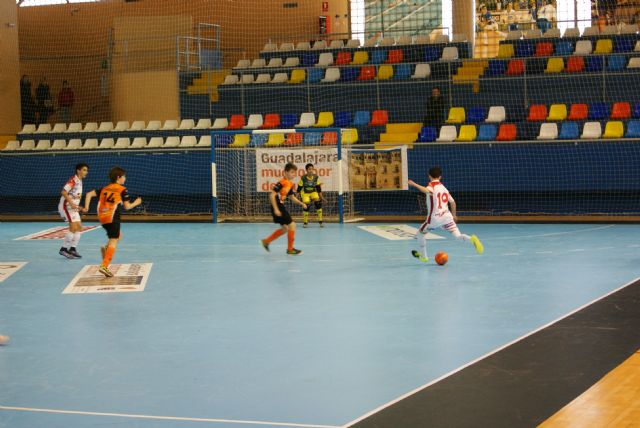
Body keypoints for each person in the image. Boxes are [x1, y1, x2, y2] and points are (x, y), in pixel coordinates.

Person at [408, 166, 484, 263]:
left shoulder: (432, 186)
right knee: (458, 236)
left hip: (435, 219)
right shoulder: (444, 188)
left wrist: (414, 184)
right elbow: (452, 203)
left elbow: (426, 190)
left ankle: (424, 257)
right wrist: (454, 215)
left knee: (420, 233)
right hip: (447, 217)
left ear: (429, 176)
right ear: (440, 177)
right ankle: (472, 239)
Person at [84, 167, 142, 278]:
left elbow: (88, 194)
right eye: (124, 176)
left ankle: (106, 249)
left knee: (117, 235)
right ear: (118, 177)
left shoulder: (104, 188)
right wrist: (136, 202)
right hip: (112, 216)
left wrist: (86, 208)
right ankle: (104, 265)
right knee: (114, 240)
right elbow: (127, 206)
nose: (125, 178)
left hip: (102, 217)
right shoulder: (122, 189)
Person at [261, 162, 307, 255]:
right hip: (278, 206)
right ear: (285, 172)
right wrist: (276, 209)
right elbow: (272, 195)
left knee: (285, 229)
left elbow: (292, 197)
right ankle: (290, 249)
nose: (294, 174)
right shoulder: (282, 182)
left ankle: (266, 241)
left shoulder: (289, 184)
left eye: (295, 172)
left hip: (280, 206)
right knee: (292, 225)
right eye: (291, 172)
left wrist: (301, 203)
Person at [58, 163, 90, 259]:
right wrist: (71, 204)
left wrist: (80, 208)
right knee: (73, 228)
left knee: (79, 227)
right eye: (84, 170)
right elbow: (63, 192)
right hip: (65, 207)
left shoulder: (80, 181)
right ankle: (63, 249)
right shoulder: (73, 180)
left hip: (72, 207)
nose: (86, 172)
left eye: (87, 170)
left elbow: (74, 197)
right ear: (78, 170)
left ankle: (73, 249)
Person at [298, 163, 324, 228]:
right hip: (305, 193)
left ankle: (320, 221)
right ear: (306, 170)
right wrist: (296, 197)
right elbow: (299, 188)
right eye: (309, 169)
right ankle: (305, 222)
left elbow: (318, 188)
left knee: (318, 203)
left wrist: (321, 197)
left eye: (312, 169)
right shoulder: (303, 178)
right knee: (306, 205)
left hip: (313, 192)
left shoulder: (315, 177)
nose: (311, 170)